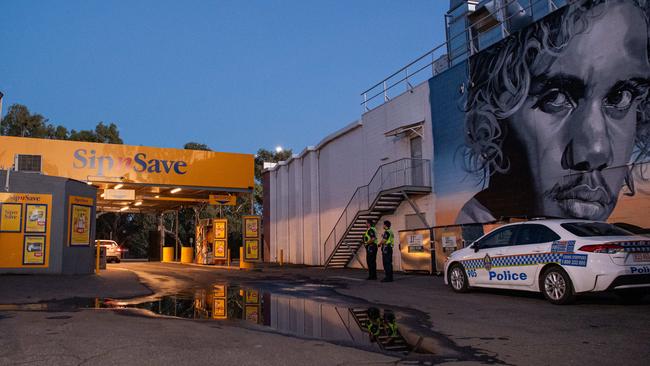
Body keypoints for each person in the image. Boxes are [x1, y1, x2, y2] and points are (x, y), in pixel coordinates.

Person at [457, 0, 650, 224]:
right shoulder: (478, 237)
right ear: (490, 118)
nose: (596, 152)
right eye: (556, 98)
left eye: (621, 97)